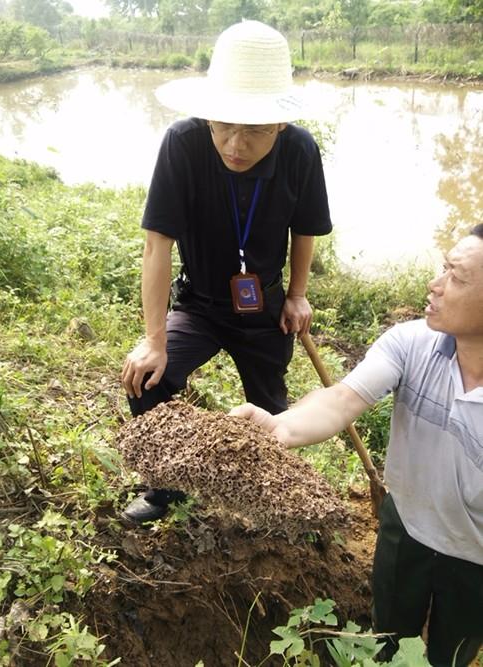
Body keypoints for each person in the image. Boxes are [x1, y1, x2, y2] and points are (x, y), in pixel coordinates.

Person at [230, 225, 483, 667]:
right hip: (405, 526)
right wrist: (279, 428)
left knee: (453, 654)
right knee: (386, 636)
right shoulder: (411, 343)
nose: (435, 284)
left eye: (457, 278)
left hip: (476, 557)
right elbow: (341, 399)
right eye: (444, 267)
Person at [120, 20, 332, 524]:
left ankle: (268, 499)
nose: (235, 143)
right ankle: (165, 487)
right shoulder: (184, 143)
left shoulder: (300, 151)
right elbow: (157, 245)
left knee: (271, 407)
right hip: (199, 303)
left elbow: (306, 229)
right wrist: (154, 338)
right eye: (224, 125)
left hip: (265, 305)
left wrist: (298, 294)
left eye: (254, 128)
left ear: (280, 123)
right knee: (147, 380)